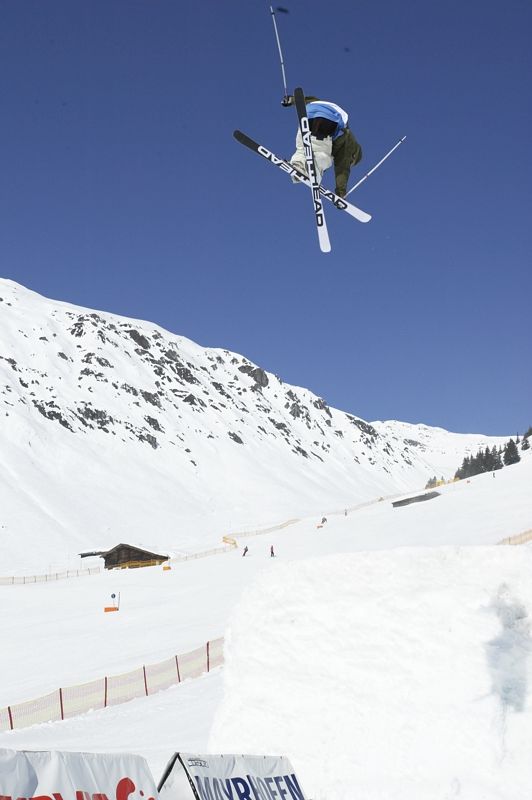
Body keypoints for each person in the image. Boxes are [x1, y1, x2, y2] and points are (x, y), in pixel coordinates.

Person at [283, 94, 362, 197]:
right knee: (324, 158)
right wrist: (340, 192)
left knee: (301, 150)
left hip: (309, 115)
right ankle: (314, 173)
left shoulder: (321, 103)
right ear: (354, 156)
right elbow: (342, 169)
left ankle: (298, 166)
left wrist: (291, 100)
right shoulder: (349, 143)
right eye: (351, 162)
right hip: (330, 122)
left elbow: (308, 100)